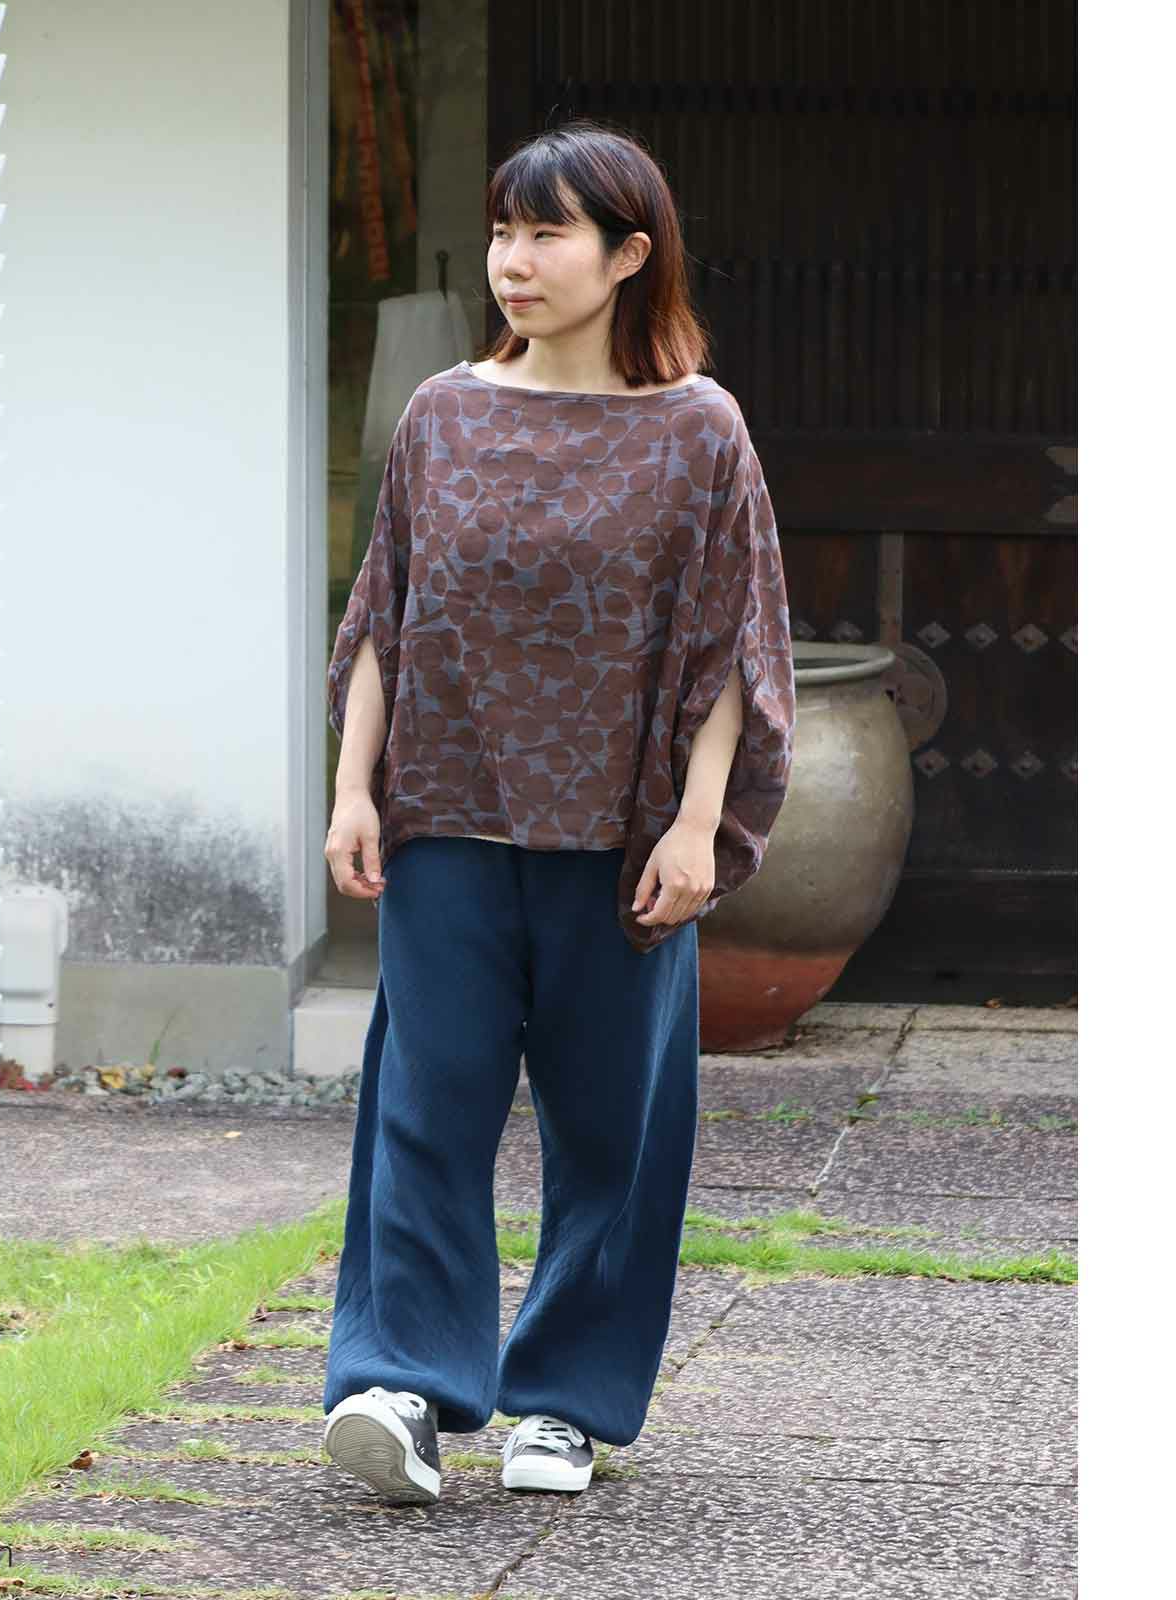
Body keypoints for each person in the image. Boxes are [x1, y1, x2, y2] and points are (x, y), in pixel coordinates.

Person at [318, 120, 796, 1506]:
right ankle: (400, 1385)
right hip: (450, 827)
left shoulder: (699, 431)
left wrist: (698, 825)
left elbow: (730, 650)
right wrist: (353, 790)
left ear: (629, 256)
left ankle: (564, 1403)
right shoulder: (442, 415)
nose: (512, 263)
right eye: (502, 232)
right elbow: (387, 617)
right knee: (425, 1111)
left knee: (611, 1133)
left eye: (547, 234)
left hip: (619, 844)